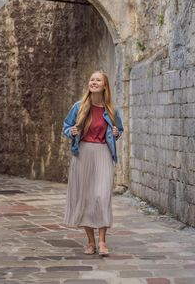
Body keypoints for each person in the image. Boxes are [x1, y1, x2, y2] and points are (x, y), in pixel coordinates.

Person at [62, 70, 124, 256]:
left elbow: (119, 129)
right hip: (83, 154)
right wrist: (71, 131)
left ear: (105, 86)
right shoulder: (78, 107)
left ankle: (103, 241)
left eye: (98, 80)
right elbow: (66, 126)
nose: (94, 82)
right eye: (92, 79)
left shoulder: (111, 109)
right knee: (86, 198)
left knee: (102, 196)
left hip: (103, 153)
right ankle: (90, 242)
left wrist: (115, 133)